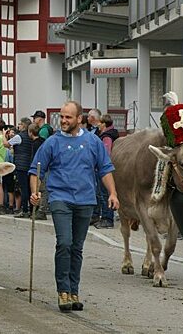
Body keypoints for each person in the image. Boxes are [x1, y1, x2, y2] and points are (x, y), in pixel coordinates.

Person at [29, 101, 119, 313]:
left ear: (80, 119)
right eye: (61, 117)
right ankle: (62, 291)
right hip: (60, 198)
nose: (63, 121)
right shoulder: (52, 142)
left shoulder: (92, 142)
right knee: (65, 243)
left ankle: (73, 291)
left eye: (68, 117)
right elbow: (36, 169)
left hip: (86, 200)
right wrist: (35, 191)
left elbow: (105, 169)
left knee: (77, 247)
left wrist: (113, 193)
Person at [94, 114, 119, 229]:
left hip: (104, 169)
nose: (98, 125)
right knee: (103, 193)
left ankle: (107, 219)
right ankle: (104, 217)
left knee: (104, 194)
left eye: (99, 123)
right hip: (104, 168)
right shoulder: (107, 135)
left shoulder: (107, 137)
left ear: (103, 124)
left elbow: (106, 154)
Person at [4, 117, 32, 218]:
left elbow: (6, 144)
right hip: (29, 164)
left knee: (23, 188)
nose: (18, 126)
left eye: (20, 124)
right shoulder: (30, 136)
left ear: (24, 125)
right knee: (30, 188)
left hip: (21, 165)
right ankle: (31, 209)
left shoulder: (19, 137)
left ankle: (24, 210)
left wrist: (3, 135)